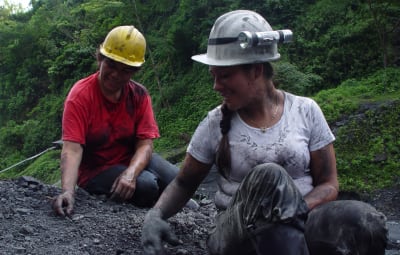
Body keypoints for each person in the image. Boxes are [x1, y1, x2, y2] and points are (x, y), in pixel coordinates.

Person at [141, 10, 387, 255]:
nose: (216, 86)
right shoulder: (215, 122)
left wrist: (293, 210)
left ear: (256, 70)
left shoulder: (306, 110)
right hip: (238, 234)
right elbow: (185, 182)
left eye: (225, 75)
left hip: (302, 222)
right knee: (270, 176)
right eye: (213, 76)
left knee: (364, 221)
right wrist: (155, 215)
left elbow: (329, 183)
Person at [52, 25, 197, 217]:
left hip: (130, 158)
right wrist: (67, 191)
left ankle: (184, 205)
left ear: (134, 71)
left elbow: (145, 144)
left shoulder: (139, 95)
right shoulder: (80, 96)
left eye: (125, 70)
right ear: (100, 59)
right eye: (111, 65)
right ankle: (156, 201)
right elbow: (72, 149)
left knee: (181, 181)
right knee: (147, 185)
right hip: (96, 170)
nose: (116, 75)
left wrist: (131, 173)